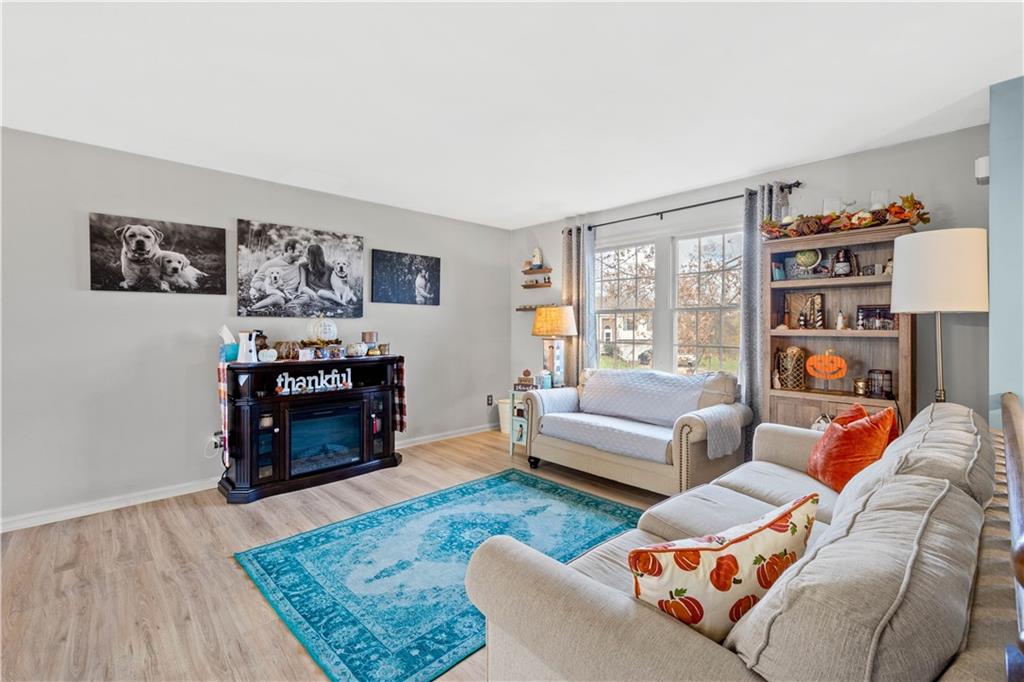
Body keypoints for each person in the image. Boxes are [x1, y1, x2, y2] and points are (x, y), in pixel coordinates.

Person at [248, 238, 303, 311]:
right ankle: (253, 308)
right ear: (290, 249)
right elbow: (255, 281)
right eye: (299, 252)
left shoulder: (299, 266)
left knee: (307, 297)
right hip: (275, 295)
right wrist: (271, 288)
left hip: (293, 297)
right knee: (278, 299)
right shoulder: (271, 264)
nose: (302, 255)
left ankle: (286, 307)